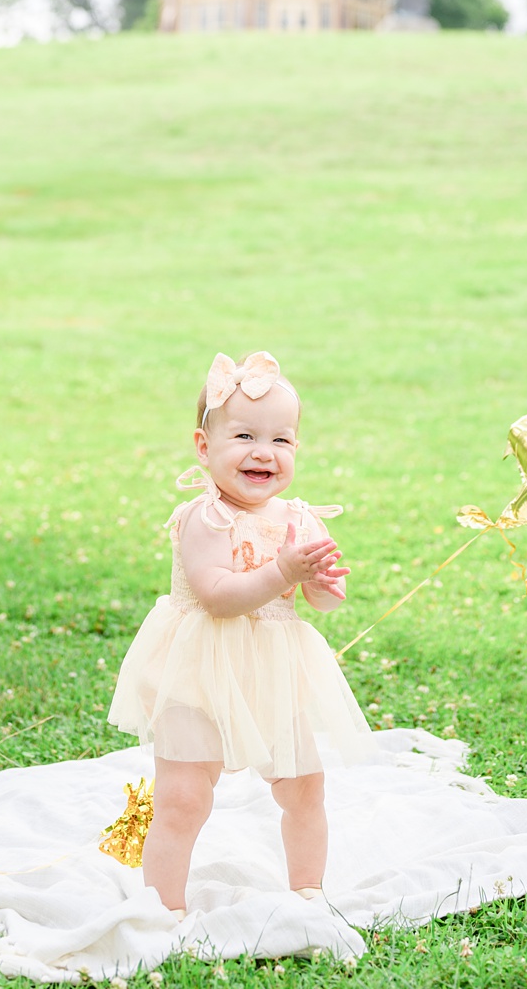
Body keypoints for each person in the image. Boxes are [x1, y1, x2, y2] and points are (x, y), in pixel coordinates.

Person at [109, 350, 373, 911]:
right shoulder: (204, 518)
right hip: (198, 670)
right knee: (183, 797)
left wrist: (321, 582)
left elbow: (318, 600)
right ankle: (162, 908)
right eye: (245, 436)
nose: (264, 452)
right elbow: (218, 597)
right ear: (205, 448)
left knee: (305, 788)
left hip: (275, 672)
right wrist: (283, 570)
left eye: (282, 440)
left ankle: (308, 890)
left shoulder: (299, 519)